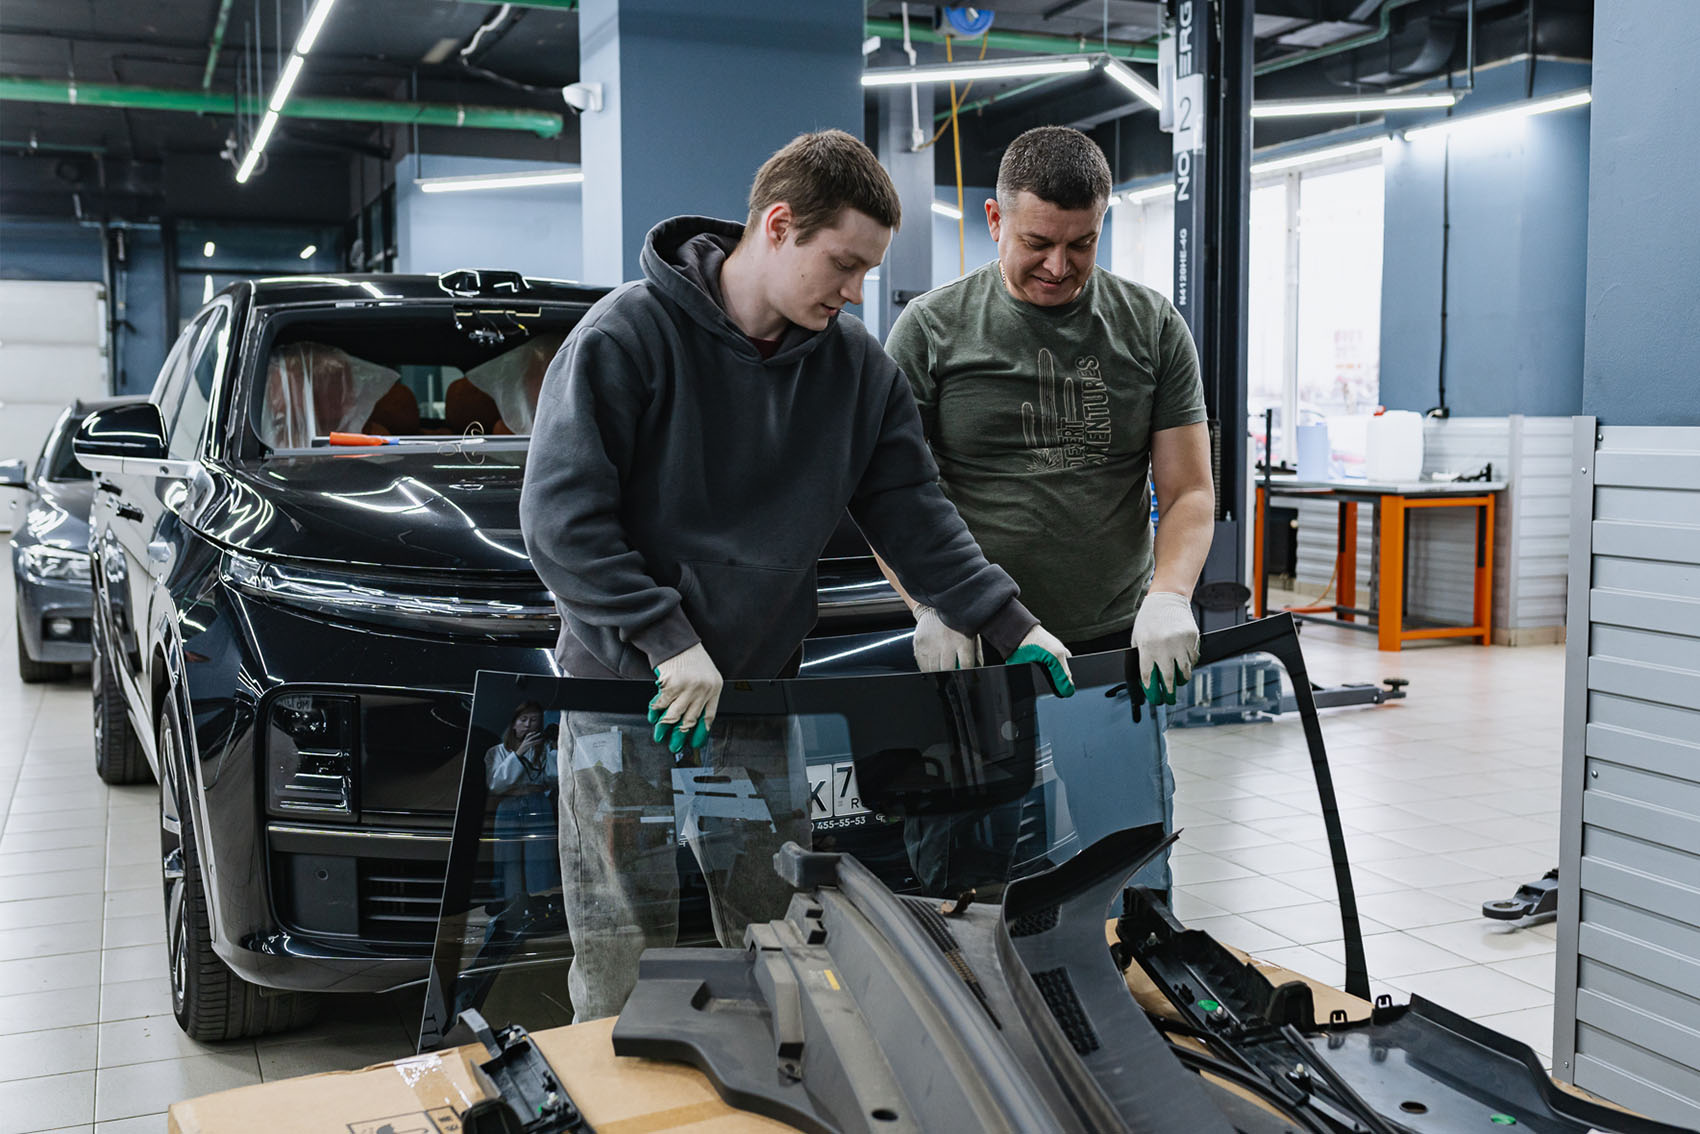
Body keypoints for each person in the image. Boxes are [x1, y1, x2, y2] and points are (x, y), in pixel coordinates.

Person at [519, 128, 1074, 1021]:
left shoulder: (857, 372)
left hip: (755, 700)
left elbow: (915, 515)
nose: (855, 292)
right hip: (626, 696)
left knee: (776, 925)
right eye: (844, 265)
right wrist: (665, 639)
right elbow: (560, 521)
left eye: (867, 271)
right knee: (623, 940)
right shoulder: (626, 337)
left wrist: (1014, 624)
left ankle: (780, 1072)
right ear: (778, 226)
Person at [882, 126, 1216, 896]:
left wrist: (1169, 596)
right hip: (976, 655)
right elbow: (893, 498)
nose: (1059, 266)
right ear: (995, 219)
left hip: (1107, 653)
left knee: (1130, 877)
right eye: (1037, 243)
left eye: (1081, 244)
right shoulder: (931, 331)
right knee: (964, 889)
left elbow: (1190, 491)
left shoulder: (1151, 326)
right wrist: (929, 606)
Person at [483, 701, 560, 912]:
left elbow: (554, 778)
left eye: (534, 720)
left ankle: (542, 906)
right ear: (514, 723)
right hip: (509, 806)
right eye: (523, 719)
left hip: (537, 803)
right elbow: (496, 784)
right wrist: (519, 753)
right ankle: (511, 907)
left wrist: (554, 750)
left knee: (541, 858)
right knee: (509, 860)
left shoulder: (544, 750)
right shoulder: (497, 752)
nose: (528, 725)